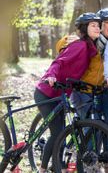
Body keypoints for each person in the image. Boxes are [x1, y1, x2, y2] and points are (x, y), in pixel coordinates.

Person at [34, 12, 100, 173]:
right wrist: (50, 75)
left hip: (61, 95)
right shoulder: (80, 46)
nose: (97, 28)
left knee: (60, 132)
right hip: (47, 92)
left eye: (98, 25)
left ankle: (58, 168)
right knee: (57, 133)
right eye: (93, 25)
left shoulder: (89, 47)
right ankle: (42, 169)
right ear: (85, 28)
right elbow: (59, 61)